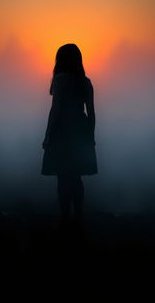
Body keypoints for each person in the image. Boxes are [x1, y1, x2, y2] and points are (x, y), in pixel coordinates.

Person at [41, 44, 98, 222]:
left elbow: (55, 109)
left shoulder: (59, 80)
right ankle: (78, 215)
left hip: (62, 132)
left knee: (63, 177)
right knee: (76, 176)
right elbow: (91, 113)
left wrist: (48, 135)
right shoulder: (86, 82)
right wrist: (91, 136)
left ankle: (65, 216)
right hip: (80, 131)